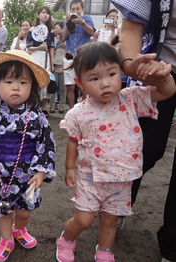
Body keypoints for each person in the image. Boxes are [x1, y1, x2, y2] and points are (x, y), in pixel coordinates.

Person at [56, 42, 175, 262]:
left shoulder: (130, 98)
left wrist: (164, 78)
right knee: (84, 220)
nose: (105, 84)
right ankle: (66, 239)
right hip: (91, 178)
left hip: (122, 179)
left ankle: (104, 251)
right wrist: (69, 167)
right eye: (94, 78)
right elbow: (73, 139)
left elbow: (167, 93)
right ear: (80, 83)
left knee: (110, 221)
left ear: (120, 73)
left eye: (111, 74)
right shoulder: (79, 113)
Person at [0, 50, 56, 262]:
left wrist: (42, 171)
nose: (16, 87)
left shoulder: (37, 117)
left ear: (31, 86)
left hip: (28, 175)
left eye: (23, 82)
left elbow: (46, 144)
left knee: (24, 211)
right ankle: (6, 239)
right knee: (3, 210)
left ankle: (20, 229)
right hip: (0, 175)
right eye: (9, 81)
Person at [111, 1, 176, 261]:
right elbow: (129, 29)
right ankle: (117, 207)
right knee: (144, 147)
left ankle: (171, 247)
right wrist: (131, 63)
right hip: (156, 67)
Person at [26, 6, 55, 117]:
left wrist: (51, 63)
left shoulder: (50, 31)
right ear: (38, 15)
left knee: (46, 80)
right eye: (43, 13)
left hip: (46, 58)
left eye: (47, 13)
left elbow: (52, 48)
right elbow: (29, 48)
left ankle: (44, 107)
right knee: (35, 79)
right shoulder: (32, 30)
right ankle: (34, 105)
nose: (45, 15)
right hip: (35, 57)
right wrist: (40, 48)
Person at [52, 21, 66, 114]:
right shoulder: (53, 40)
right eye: (54, 28)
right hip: (55, 65)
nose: (55, 30)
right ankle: (52, 106)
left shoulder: (68, 39)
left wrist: (66, 45)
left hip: (65, 67)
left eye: (56, 27)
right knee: (53, 87)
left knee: (63, 88)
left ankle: (62, 106)